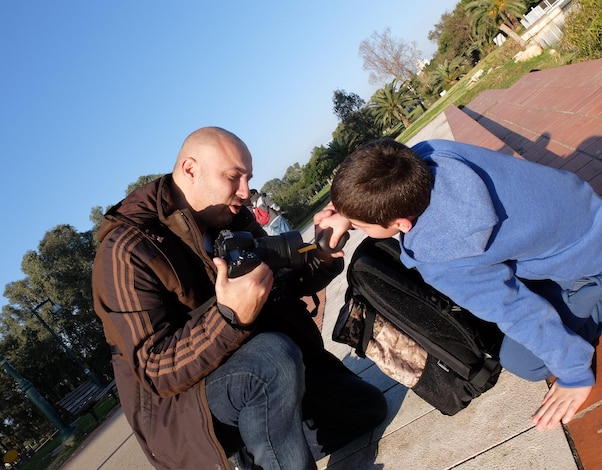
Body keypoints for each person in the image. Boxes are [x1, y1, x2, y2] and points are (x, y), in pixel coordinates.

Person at [91, 127, 387, 469]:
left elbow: (281, 285)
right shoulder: (127, 251)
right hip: (190, 408)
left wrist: (321, 252)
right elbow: (155, 369)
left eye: (248, 178)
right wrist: (229, 317)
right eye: (234, 177)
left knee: (365, 409)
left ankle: (253, 453)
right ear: (190, 169)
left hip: (261, 363)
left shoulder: (232, 217)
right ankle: (231, 456)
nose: (246, 192)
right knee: (272, 358)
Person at [321, 137, 602, 432]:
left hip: (587, 266)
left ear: (402, 224)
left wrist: (574, 375)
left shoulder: (441, 255)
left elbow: (517, 311)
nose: (356, 228)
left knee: (523, 360)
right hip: (584, 212)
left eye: (361, 226)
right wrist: (347, 209)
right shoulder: (429, 154)